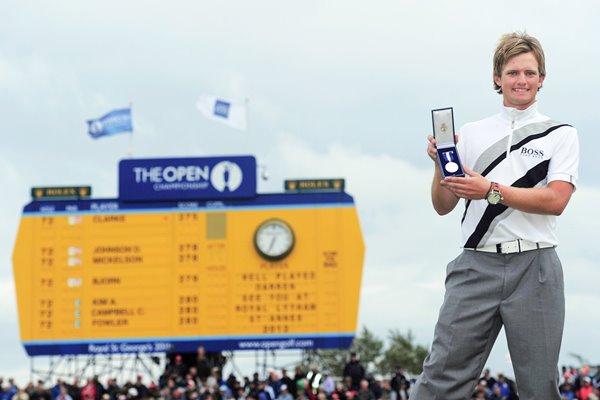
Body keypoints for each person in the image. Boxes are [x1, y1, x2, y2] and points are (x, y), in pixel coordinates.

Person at [410, 31, 580, 399]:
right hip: (475, 266)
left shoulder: (560, 134)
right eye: (513, 72)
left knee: (538, 387)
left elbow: (556, 200)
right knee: (439, 381)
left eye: (530, 73)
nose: (522, 81)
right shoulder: (471, 133)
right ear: (497, 77)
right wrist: (442, 164)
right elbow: (443, 206)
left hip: (536, 267)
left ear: (542, 79)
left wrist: (490, 190)